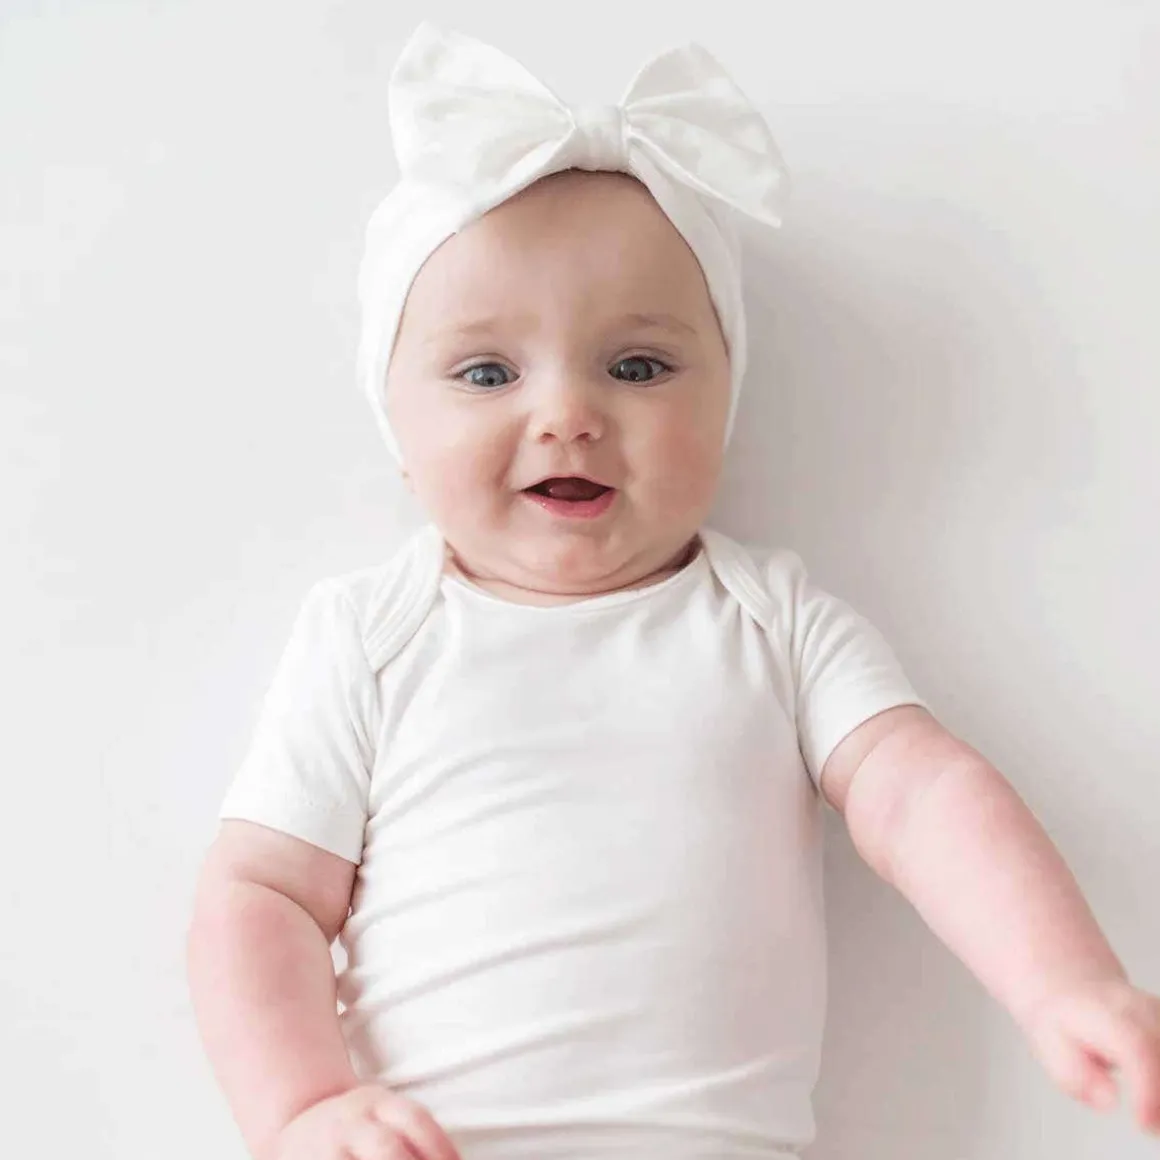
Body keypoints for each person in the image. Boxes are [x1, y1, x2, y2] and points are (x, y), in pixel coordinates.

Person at [186, 22, 1160, 1160]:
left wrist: (1063, 980)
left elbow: (922, 798)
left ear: (725, 403)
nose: (566, 414)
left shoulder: (773, 626)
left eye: (637, 366)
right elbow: (262, 893)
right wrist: (300, 1106)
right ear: (396, 430)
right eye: (487, 372)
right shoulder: (372, 637)